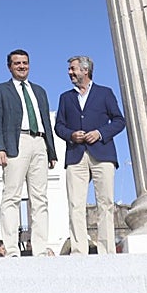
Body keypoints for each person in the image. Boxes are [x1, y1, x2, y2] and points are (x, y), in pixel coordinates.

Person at [54, 55, 126, 256]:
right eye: (70, 69)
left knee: (106, 202)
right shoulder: (65, 98)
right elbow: (59, 125)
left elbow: (119, 120)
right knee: (75, 204)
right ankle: (79, 252)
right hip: (75, 155)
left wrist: (100, 133)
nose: (70, 72)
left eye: (73, 69)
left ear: (85, 70)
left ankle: (107, 251)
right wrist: (71, 135)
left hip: (102, 153)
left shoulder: (105, 93)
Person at [0, 49, 57, 257]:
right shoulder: (2, 90)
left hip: (40, 143)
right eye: (17, 63)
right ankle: (11, 249)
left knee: (40, 198)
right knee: (11, 196)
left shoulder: (40, 91)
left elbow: (46, 119)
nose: (21, 66)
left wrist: (51, 151)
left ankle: (39, 248)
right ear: (9, 66)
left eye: (25, 63)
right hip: (16, 142)